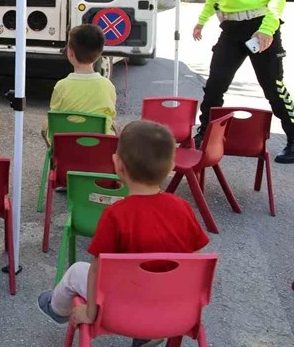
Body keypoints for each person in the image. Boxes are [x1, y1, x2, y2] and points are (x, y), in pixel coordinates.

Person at [37, 120, 209, 347]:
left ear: (118, 165)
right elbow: (196, 261)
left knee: (77, 271)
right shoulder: (183, 208)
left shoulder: (115, 214)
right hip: (170, 306)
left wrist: (89, 313)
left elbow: (98, 269)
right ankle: (146, 333)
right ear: (171, 168)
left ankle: (56, 308)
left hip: (119, 307)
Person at [193, 0, 293, 163]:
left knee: (273, 88)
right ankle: (204, 134)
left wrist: (267, 30)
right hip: (232, 30)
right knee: (215, 84)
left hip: (261, 28)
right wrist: (201, 21)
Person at [44, 24, 117, 137]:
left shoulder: (61, 86)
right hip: (99, 149)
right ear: (99, 54)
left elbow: (55, 119)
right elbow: (111, 116)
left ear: (70, 52)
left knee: (45, 126)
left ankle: (54, 154)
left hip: (67, 147)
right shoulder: (108, 86)